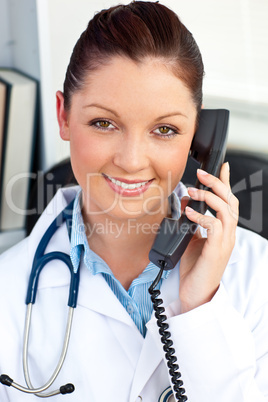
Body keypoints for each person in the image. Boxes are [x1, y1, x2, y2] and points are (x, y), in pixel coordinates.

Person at [0, 2, 267, 401]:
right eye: (104, 123)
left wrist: (200, 307)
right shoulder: (8, 290)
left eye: (165, 129)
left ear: (200, 136)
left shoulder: (255, 274)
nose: (131, 160)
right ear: (63, 116)